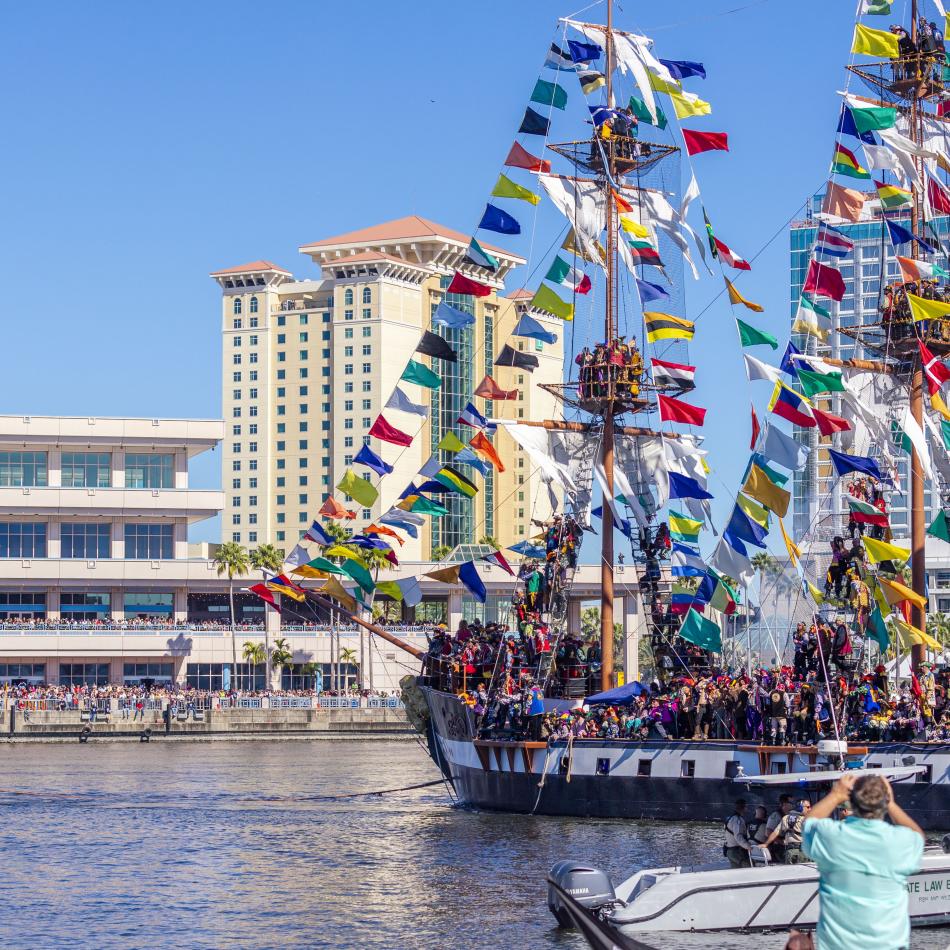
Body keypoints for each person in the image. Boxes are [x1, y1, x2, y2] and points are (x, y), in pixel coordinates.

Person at [802, 773, 924, 950]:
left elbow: (809, 823)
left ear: (851, 803)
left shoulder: (831, 836)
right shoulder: (899, 841)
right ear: (884, 801)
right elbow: (917, 836)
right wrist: (891, 803)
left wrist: (835, 795)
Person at [764, 798, 811, 864]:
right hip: (802, 852)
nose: (810, 809)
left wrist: (766, 844)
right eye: (808, 807)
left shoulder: (785, 818)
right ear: (800, 808)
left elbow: (775, 832)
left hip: (789, 851)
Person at [724, 798, 753, 868]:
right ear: (743, 808)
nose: (747, 808)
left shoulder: (730, 818)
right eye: (746, 807)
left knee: (735, 872)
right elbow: (738, 836)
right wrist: (748, 846)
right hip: (736, 852)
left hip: (730, 850)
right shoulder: (737, 820)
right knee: (748, 868)